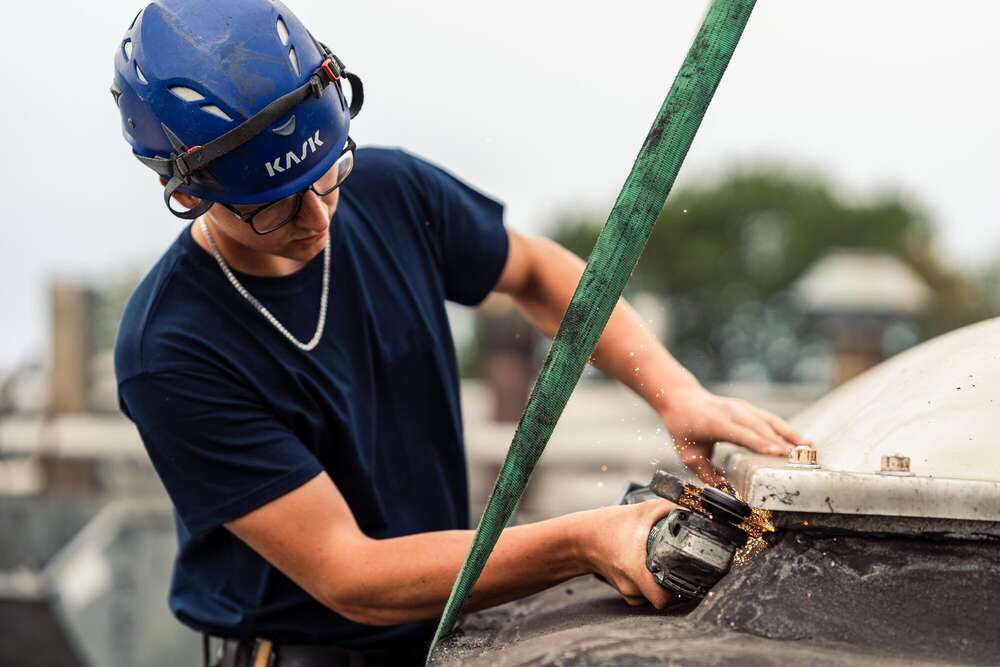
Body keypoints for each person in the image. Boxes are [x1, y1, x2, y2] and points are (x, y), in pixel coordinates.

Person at [111, 2, 805, 665]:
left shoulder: (393, 193)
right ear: (188, 193)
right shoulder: (171, 349)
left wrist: (673, 389)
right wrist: (586, 539)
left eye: (329, 175)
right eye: (273, 208)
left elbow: (534, 274)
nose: (320, 219)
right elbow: (349, 573)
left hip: (450, 633)